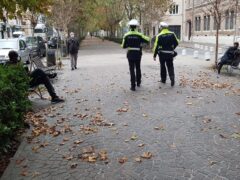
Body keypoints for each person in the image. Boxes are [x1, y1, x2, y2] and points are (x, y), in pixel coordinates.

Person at [121, 19, 150, 91]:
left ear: (130, 27)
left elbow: (123, 46)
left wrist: (128, 44)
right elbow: (148, 40)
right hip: (138, 54)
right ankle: (139, 82)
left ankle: (133, 86)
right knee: (138, 68)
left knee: (131, 69)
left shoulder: (126, 35)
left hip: (130, 54)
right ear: (136, 27)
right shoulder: (139, 35)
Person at [153, 22, 179, 86]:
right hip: (170, 53)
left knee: (162, 66)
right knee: (170, 66)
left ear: (161, 28)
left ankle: (163, 80)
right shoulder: (172, 34)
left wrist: (154, 55)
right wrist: (172, 48)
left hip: (162, 54)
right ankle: (172, 79)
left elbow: (156, 46)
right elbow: (177, 42)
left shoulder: (159, 36)